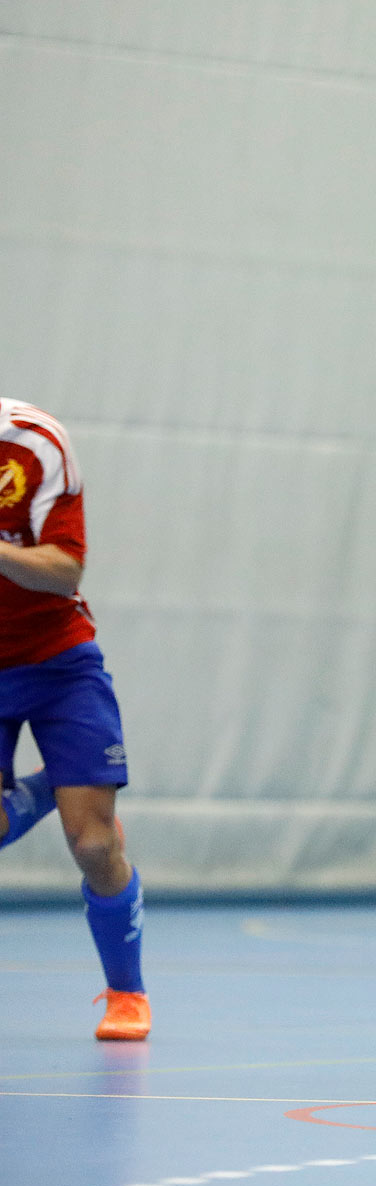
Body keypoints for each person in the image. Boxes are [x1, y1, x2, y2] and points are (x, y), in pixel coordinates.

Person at [0, 397, 149, 1040]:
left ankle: (126, 993)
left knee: (92, 842)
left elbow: (65, 572)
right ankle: (40, 791)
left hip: (58, 660)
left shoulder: (34, 444)